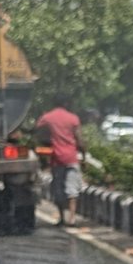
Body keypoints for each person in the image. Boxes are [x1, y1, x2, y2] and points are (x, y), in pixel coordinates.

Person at [37, 94, 84, 227]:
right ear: (67, 104)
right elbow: (80, 139)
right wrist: (84, 154)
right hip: (71, 158)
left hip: (57, 159)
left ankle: (62, 218)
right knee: (72, 190)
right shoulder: (73, 118)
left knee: (58, 189)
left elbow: (38, 128)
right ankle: (72, 218)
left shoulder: (48, 117)